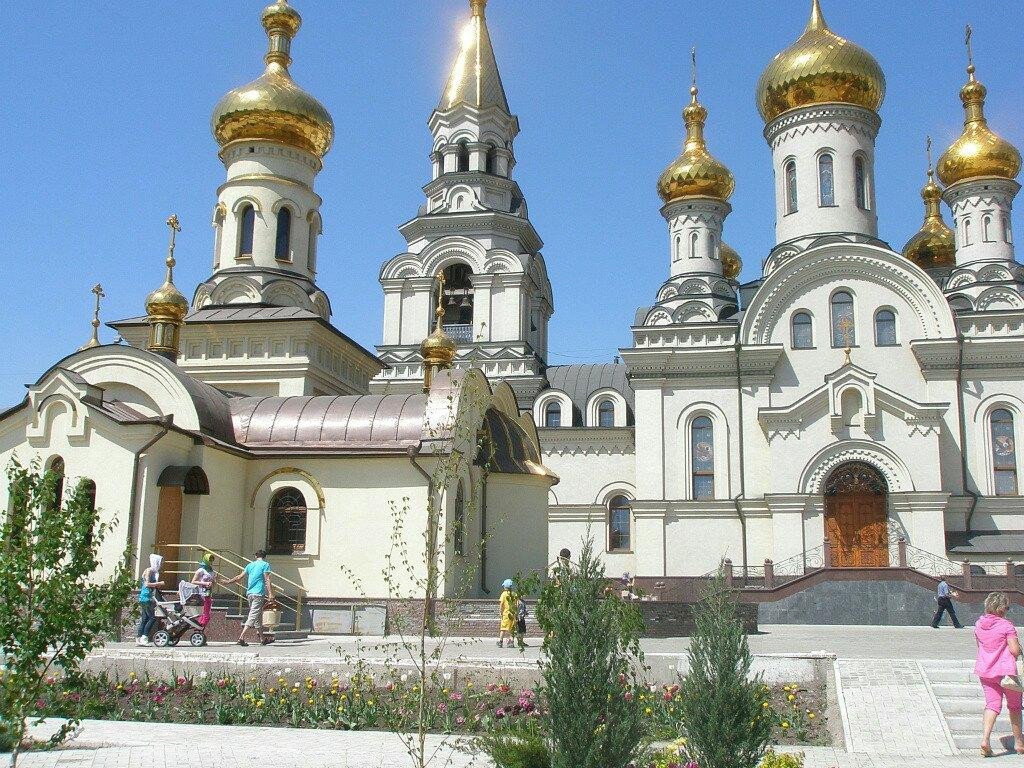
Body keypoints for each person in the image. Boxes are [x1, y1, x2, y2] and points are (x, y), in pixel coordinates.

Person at [975, 592, 1024, 756]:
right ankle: (1019, 743)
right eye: (1007, 607)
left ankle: (985, 739)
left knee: (992, 705)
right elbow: (1015, 650)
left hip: (986, 671)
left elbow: (979, 646)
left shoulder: (979, 624)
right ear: (1002, 609)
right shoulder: (1006, 626)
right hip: (1007, 673)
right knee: (1015, 706)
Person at [222, 549, 274, 646]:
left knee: (257, 616)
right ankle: (241, 637)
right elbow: (267, 579)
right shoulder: (265, 565)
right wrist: (270, 593)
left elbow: (239, 577)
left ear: (255, 556)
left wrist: (228, 582)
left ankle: (263, 639)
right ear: (265, 557)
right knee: (253, 616)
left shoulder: (250, 565)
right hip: (258, 594)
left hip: (249, 593)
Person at [136, 553, 164, 646]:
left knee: (145, 618)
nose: (161, 565)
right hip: (146, 597)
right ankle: (144, 637)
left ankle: (139, 638)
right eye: (160, 563)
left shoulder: (154, 572)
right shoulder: (149, 571)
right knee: (152, 617)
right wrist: (158, 583)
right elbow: (147, 584)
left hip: (147, 597)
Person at [497, 578, 517, 648]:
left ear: (505, 586)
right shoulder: (514, 594)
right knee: (512, 629)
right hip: (513, 614)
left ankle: (500, 641)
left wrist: (500, 611)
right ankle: (511, 642)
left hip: (506, 614)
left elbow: (501, 604)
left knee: (503, 628)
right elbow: (516, 604)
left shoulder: (504, 594)